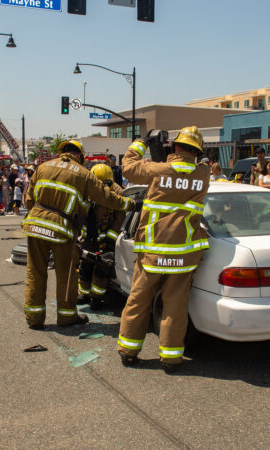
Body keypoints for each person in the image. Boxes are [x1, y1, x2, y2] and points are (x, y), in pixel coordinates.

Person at [116, 126, 209, 373]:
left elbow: (128, 167)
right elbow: (187, 172)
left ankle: (129, 352)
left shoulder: (157, 171)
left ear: (175, 147)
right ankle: (171, 359)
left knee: (138, 300)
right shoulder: (204, 174)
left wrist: (141, 142)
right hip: (184, 253)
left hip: (153, 252)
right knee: (175, 307)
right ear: (197, 152)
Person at [22, 140, 133, 330]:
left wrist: (40, 218)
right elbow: (106, 197)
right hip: (62, 230)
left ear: (62, 152)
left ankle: (34, 318)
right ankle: (66, 317)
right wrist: (130, 204)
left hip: (35, 226)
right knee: (66, 275)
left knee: (35, 272)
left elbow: (29, 199)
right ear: (80, 155)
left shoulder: (42, 167)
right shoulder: (82, 174)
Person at [77, 164, 126, 310]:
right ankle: (84, 294)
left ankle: (96, 298)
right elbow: (81, 210)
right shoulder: (87, 188)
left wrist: (111, 237)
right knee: (85, 265)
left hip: (106, 237)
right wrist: (81, 234)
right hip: (89, 235)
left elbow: (120, 216)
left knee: (102, 267)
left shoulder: (117, 192)